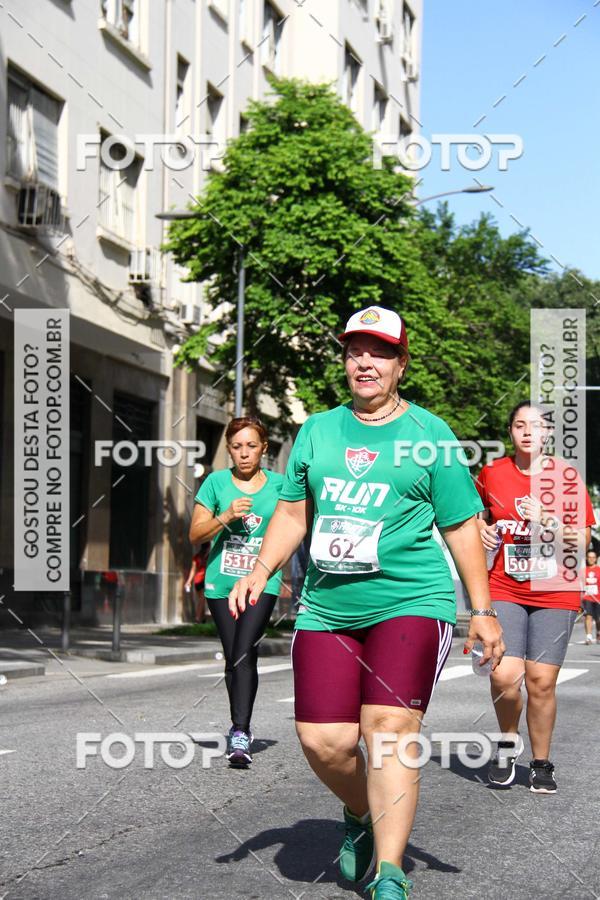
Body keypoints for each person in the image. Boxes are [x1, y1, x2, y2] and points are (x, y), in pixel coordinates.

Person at [229, 306, 503, 899]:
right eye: (356, 350)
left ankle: (390, 871)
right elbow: (294, 512)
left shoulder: (431, 436)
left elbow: (460, 524)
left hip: (410, 599)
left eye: (379, 352)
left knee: (388, 728)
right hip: (328, 605)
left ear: (401, 364)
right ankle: (360, 811)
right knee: (323, 742)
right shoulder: (318, 432)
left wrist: (481, 609)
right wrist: (259, 568)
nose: (365, 361)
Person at [477, 401, 595, 793]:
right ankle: (507, 744)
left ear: (548, 433)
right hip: (504, 584)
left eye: (537, 426)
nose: (528, 432)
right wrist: (482, 529)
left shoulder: (565, 476)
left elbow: (581, 539)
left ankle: (542, 762)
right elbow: (475, 518)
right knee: (504, 675)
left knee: (541, 681)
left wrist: (548, 520)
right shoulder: (492, 472)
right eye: (519, 425)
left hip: (555, 587)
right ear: (510, 432)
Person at [189, 416, 283, 767]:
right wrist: (225, 516)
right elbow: (195, 535)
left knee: (244, 652)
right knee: (234, 657)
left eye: (251, 446)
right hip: (221, 583)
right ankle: (239, 724)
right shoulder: (215, 483)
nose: (244, 454)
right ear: (229, 449)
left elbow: (295, 526)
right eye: (236, 447)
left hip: (262, 580)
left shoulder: (280, 485)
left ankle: (240, 732)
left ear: (264, 448)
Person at [184, 543, 210, 623]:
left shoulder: (197, 556)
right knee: (202, 600)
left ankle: (202, 619)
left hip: (197, 580)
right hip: (204, 580)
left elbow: (193, 570)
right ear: (208, 547)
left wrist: (189, 581)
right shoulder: (209, 556)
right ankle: (198, 618)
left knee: (201, 600)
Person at [582, 548, 600, 645]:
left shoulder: (599, 570)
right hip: (587, 597)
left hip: (598, 598)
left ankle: (598, 632)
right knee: (588, 616)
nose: (591, 559)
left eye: (593, 557)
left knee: (598, 618)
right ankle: (588, 636)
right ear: (587, 558)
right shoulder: (583, 570)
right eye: (589, 557)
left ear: (596, 558)